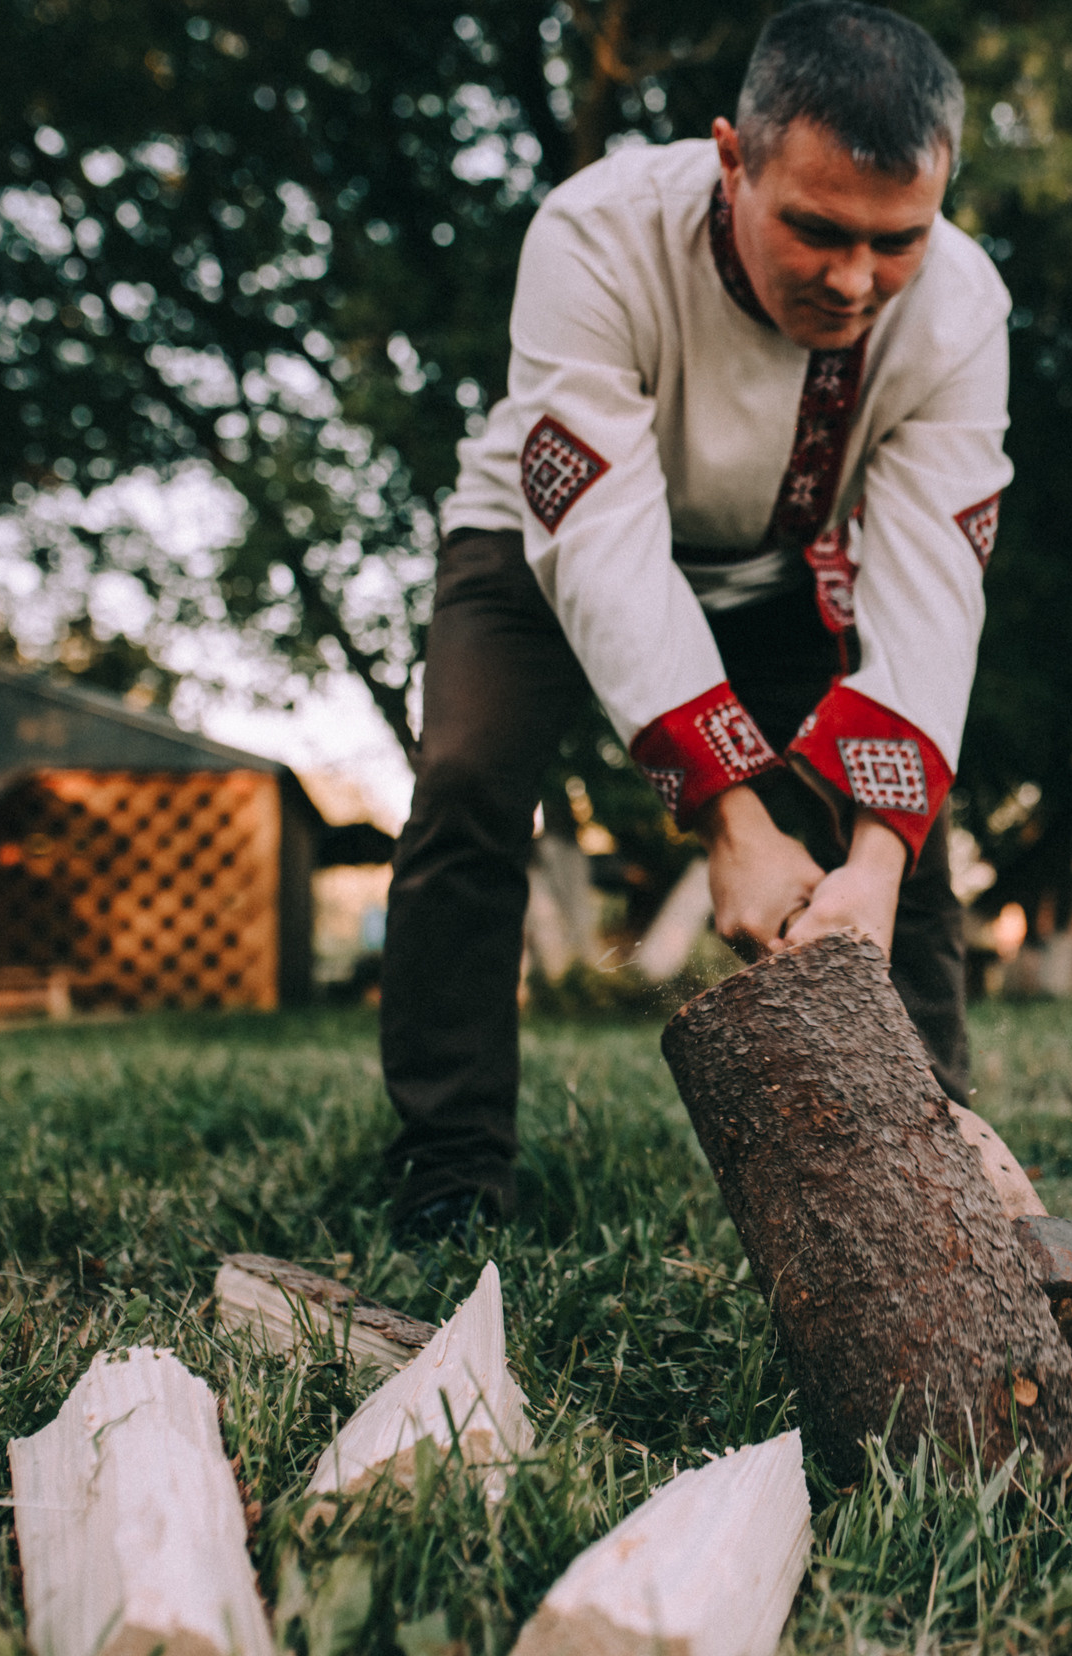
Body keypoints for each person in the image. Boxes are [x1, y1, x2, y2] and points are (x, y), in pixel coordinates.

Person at [381, 0, 1010, 1234]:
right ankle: (449, 1167)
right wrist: (727, 813)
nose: (854, 280)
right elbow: (605, 543)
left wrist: (872, 855)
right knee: (465, 781)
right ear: (733, 160)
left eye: (897, 242)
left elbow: (936, 574)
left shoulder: (964, 309)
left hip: (776, 556)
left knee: (903, 829)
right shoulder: (593, 235)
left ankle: (933, 1172)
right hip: (543, 537)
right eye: (817, 231)